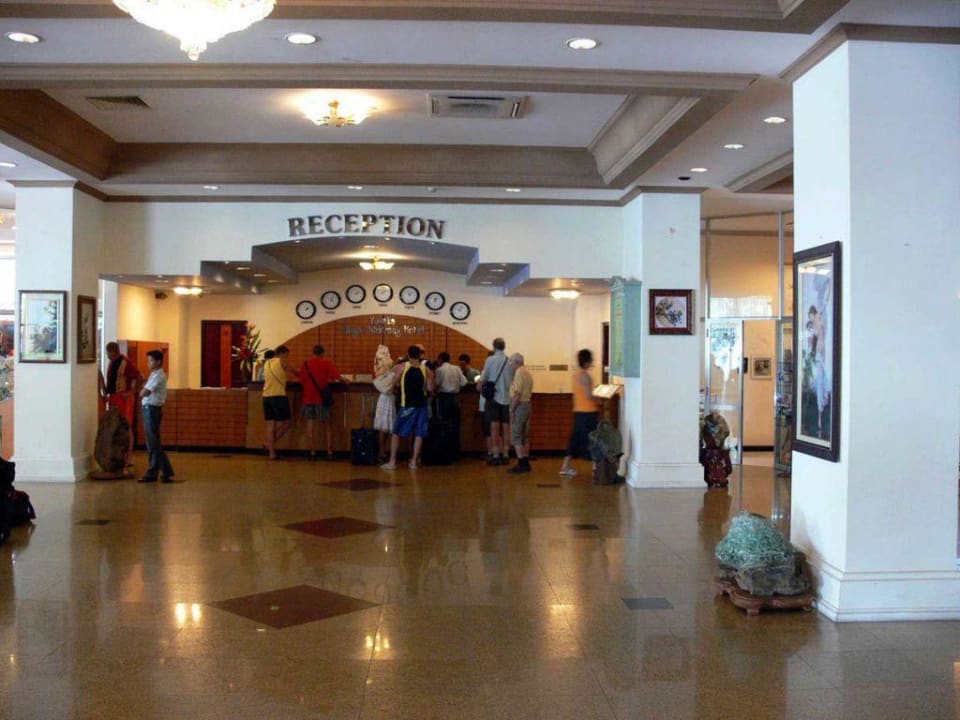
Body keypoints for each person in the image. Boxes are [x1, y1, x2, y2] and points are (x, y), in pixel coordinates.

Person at [381, 345, 434, 470]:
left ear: (408, 355)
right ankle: (414, 461)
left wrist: (395, 387)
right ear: (420, 355)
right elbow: (430, 388)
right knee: (419, 434)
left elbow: (392, 382)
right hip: (422, 405)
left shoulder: (402, 367)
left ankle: (392, 462)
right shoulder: (426, 369)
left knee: (396, 433)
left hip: (407, 405)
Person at [100, 341, 143, 467]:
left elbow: (139, 377)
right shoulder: (112, 363)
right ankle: (118, 455)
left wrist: (131, 392)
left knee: (126, 426)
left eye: (109, 354)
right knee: (116, 426)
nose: (108, 356)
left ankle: (129, 456)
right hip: (114, 398)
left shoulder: (126, 363)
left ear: (115, 352)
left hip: (124, 399)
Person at [559, 349, 600, 477]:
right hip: (589, 412)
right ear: (587, 361)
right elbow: (588, 395)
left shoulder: (576, 375)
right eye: (591, 359)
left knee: (575, 439)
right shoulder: (586, 376)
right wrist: (599, 398)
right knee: (593, 440)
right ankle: (595, 468)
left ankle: (565, 466)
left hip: (579, 412)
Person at [137, 349, 175, 483]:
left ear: (158, 362)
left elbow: (144, 392)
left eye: (151, 360)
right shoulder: (154, 375)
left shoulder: (158, 376)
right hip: (149, 409)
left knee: (153, 443)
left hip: (152, 409)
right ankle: (166, 470)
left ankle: (152, 472)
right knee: (154, 442)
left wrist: (141, 390)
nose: (148, 363)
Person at [300, 345, 342, 460]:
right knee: (327, 424)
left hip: (308, 398)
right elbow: (336, 376)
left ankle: (312, 452)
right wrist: (345, 380)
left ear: (313, 353)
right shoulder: (326, 363)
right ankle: (329, 451)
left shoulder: (305, 364)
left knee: (310, 425)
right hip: (321, 399)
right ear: (322, 353)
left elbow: (301, 380)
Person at [478, 337, 514, 466]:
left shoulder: (490, 360)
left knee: (494, 426)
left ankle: (495, 454)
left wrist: (480, 386)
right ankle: (506, 453)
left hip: (493, 397)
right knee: (506, 426)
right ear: (504, 347)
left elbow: (484, 377)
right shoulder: (509, 361)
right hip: (507, 398)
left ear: (494, 347)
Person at [262, 344, 298, 460]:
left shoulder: (266, 363)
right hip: (278, 396)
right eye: (287, 355)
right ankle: (268, 444)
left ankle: (271, 452)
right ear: (282, 353)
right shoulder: (282, 361)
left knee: (270, 424)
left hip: (266, 396)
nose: (287, 357)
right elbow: (296, 373)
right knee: (286, 423)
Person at [434, 351, 467, 456]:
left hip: (444, 398)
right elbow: (464, 382)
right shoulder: (457, 368)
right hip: (455, 398)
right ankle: (455, 451)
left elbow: (436, 384)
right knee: (456, 425)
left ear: (440, 360)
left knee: (444, 424)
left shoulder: (440, 370)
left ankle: (446, 451)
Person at [507, 352, 534, 474]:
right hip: (527, 404)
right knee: (524, 436)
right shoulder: (527, 373)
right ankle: (526, 462)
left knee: (516, 435)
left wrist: (511, 409)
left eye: (511, 362)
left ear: (517, 362)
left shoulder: (518, 373)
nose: (510, 365)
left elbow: (517, 394)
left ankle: (521, 463)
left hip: (520, 406)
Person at [372, 344, 396, 463]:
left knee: (385, 426)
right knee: (385, 426)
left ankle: (382, 451)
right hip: (388, 398)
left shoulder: (381, 367)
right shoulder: (387, 366)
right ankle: (382, 451)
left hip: (386, 398)